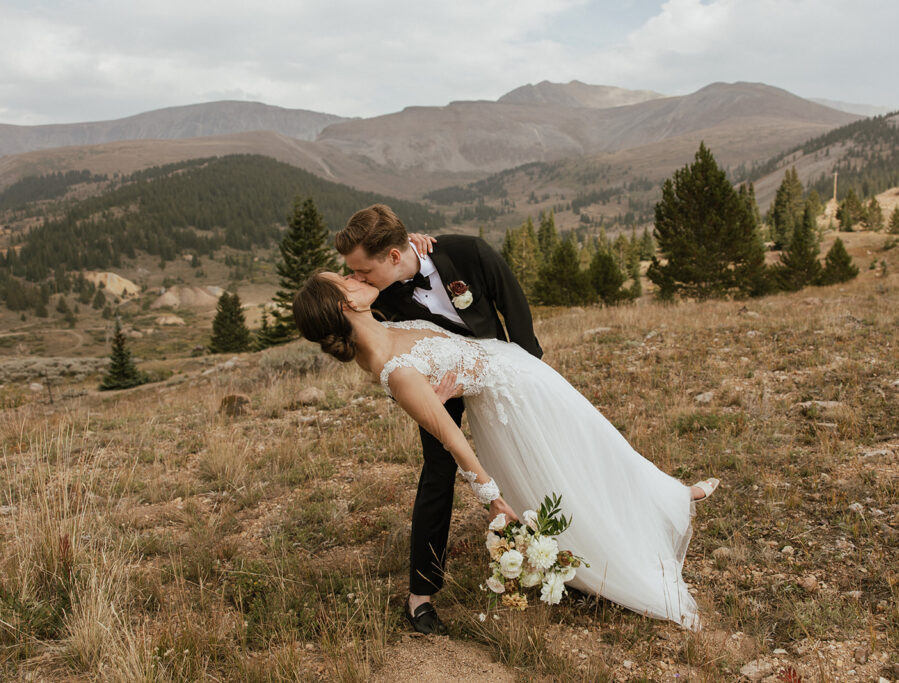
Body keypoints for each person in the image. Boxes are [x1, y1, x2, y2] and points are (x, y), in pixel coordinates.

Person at [292, 270, 719, 632]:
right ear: (344, 305)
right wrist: (492, 496)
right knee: (569, 465)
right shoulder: (392, 367)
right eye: (344, 279)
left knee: (594, 443)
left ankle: (665, 495)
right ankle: (616, 551)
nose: (354, 275)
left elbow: (402, 271)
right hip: (513, 404)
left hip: (518, 372)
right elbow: (451, 438)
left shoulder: (385, 323)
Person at [333, 204, 543, 635]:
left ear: (393, 256)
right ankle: (421, 593)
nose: (356, 279)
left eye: (361, 271)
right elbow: (340, 301)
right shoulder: (380, 290)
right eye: (352, 273)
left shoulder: (469, 253)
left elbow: (517, 316)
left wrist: (531, 377)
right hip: (436, 382)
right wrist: (369, 285)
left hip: (498, 370)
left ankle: (547, 538)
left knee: (531, 448)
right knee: (438, 471)